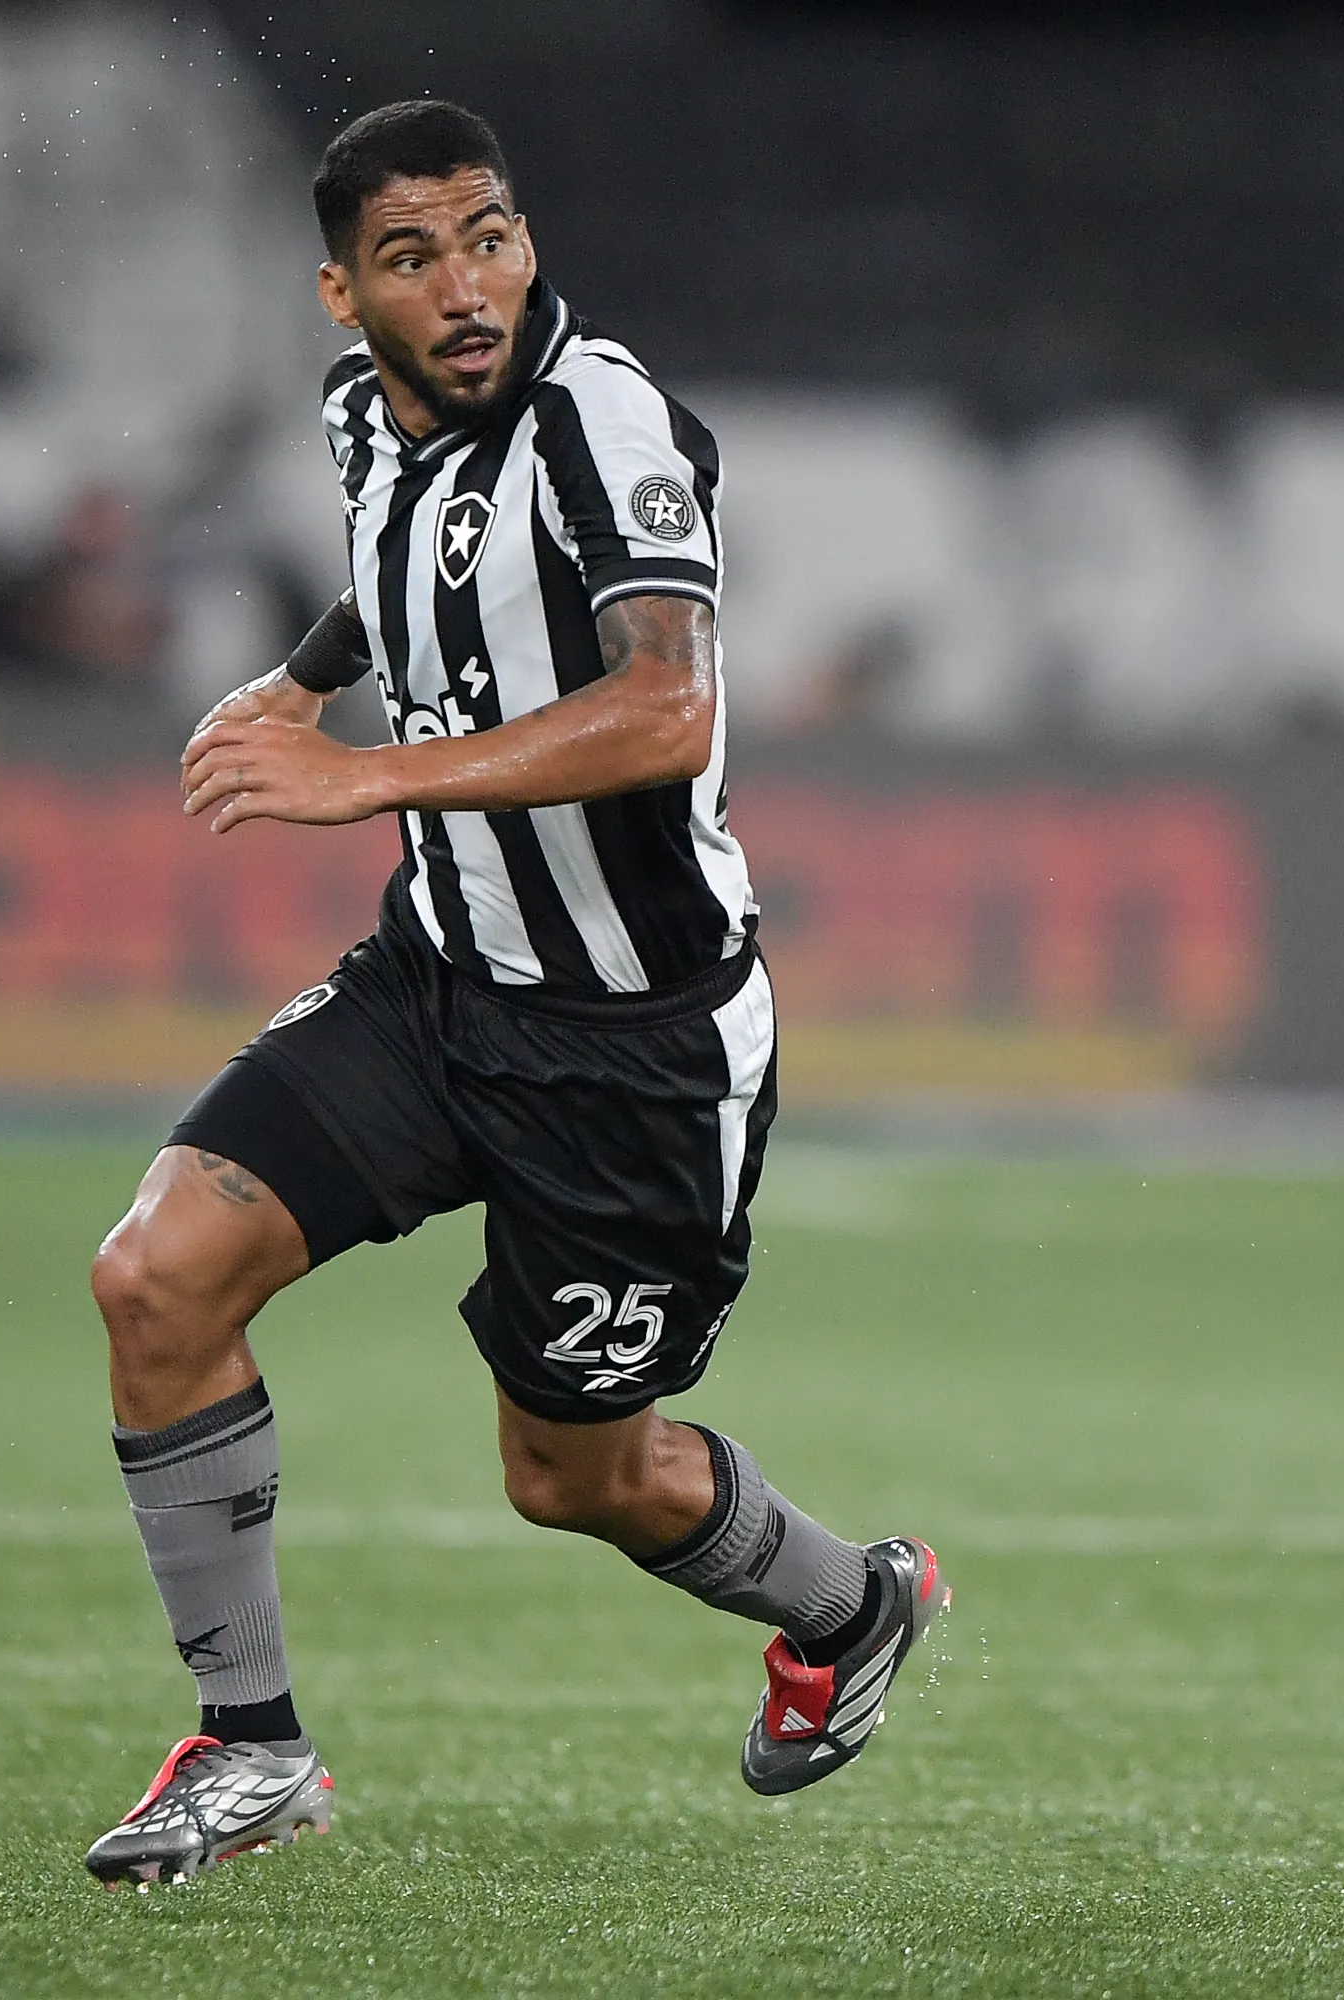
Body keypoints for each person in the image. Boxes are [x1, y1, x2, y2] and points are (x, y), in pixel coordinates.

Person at [79, 101, 948, 1889]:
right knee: (155, 1277)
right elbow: (403, 566)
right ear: (345, 294)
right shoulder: (361, 415)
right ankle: (251, 1751)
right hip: (439, 982)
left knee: (574, 1479)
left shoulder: (600, 424)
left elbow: (668, 707)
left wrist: (363, 777)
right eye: (413, 258)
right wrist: (303, 683)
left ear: (528, 241)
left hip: (636, 1050)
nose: (466, 288)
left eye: (489, 238)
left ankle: (849, 1605)